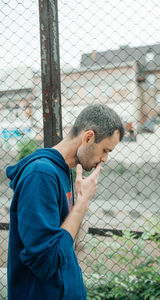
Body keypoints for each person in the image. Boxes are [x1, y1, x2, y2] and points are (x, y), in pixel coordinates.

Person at [6, 104, 125, 300]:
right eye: (105, 150)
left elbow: (64, 243)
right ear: (88, 138)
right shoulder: (40, 175)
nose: (105, 159)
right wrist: (82, 203)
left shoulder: (62, 171)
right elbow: (44, 261)